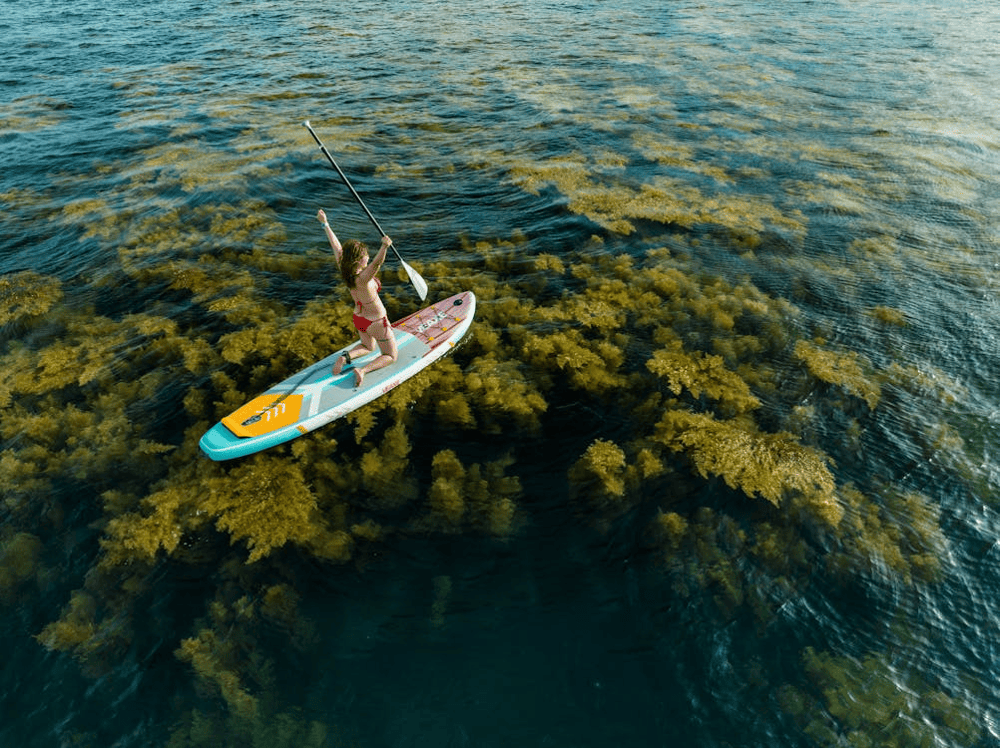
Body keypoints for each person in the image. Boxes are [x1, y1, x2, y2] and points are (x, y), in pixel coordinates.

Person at [317, 208, 398, 387]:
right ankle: (362, 371)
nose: (367, 256)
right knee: (391, 356)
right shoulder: (363, 278)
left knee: (369, 346)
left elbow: (337, 247)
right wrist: (385, 246)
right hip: (376, 322)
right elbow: (377, 263)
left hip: (359, 319)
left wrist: (325, 223)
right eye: (364, 256)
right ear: (358, 261)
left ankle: (345, 358)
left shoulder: (345, 269)